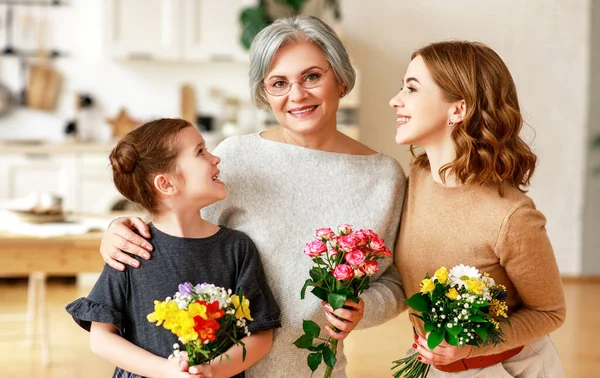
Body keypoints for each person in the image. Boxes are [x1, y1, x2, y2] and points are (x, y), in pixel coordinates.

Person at [97, 16, 407, 378]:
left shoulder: (384, 177)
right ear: (264, 93)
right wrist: (122, 230)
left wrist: (364, 307)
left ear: (339, 78)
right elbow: (180, 236)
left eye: (312, 77)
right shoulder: (236, 158)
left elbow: (395, 281)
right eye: (279, 83)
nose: (297, 95)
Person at [391, 41, 566, 377]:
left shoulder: (511, 217)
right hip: (430, 365)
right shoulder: (418, 177)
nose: (395, 100)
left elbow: (549, 312)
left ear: (458, 109)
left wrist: (470, 346)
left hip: (506, 368)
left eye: (411, 89)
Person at [66, 118, 281, 378]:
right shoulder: (133, 248)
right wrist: (167, 372)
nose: (216, 159)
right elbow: (101, 339)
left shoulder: (237, 248)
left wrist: (212, 371)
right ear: (166, 184)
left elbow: (260, 334)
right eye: (200, 151)